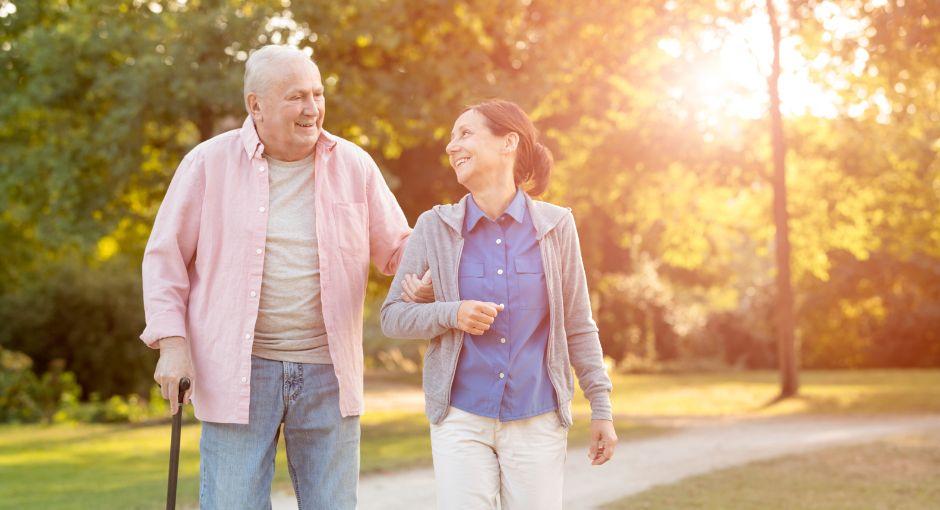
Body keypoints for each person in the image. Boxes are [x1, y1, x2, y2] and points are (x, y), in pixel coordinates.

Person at [140, 45, 421, 509]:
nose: (312, 108)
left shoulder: (354, 165)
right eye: (296, 97)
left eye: (317, 94)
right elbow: (164, 258)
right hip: (239, 369)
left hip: (328, 372)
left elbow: (397, 249)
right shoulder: (208, 164)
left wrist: (436, 257)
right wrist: (172, 344)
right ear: (256, 105)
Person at [381, 99, 617, 510]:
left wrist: (601, 407)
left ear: (508, 142)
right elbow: (393, 317)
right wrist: (451, 313)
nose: (452, 146)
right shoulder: (433, 227)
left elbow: (578, 324)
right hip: (461, 416)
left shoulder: (556, 226)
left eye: (465, 133)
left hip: (536, 416)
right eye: (452, 137)